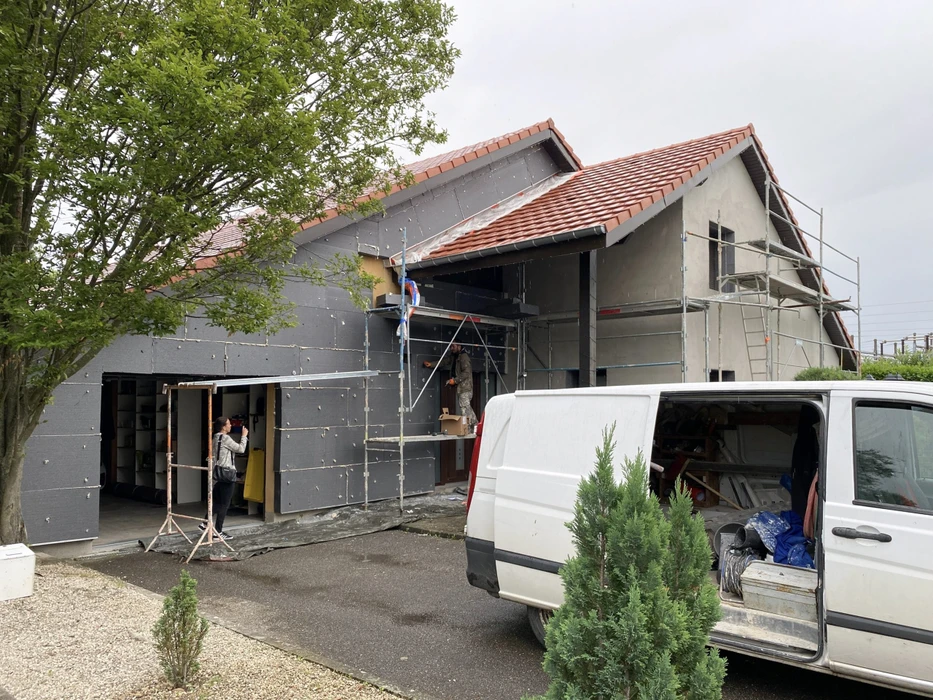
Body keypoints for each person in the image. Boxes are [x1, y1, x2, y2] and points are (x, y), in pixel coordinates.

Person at [199, 416, 248, 541]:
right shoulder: (225, 438)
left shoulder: (216, 437)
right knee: (224, 504)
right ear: (223, 427)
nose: (231, 425)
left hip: (218, 473)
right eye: (229, 424)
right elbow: (241, 449)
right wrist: (244, 436)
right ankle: (218, 532)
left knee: (216, 501)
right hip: (227, 474)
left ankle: (205, 523)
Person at [425, 343, 476, 431]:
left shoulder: (464, 357)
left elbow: (466, 373)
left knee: (464, 407)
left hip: (465, 387)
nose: (451, 348)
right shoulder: (455, 356)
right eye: (450, 346)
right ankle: (470, 427)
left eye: (453, 346)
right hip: (462, 387)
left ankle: (471, 426)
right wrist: (431, 364)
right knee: (464, 407)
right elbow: (444, 361)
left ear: (459, 346)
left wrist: (455, 380)